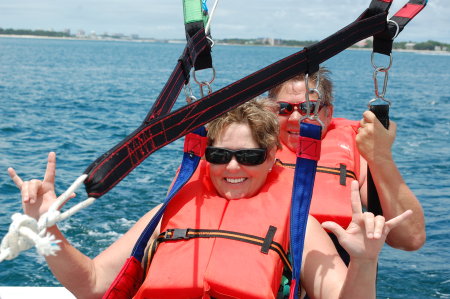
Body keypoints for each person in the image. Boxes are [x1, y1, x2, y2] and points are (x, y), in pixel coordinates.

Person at [8, 99, 411, 299]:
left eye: (249, 156)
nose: (232, 167)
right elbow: (93, 284)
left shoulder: (295, 220)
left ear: (272, 158)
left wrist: (364, 259)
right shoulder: (171, 210)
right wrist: (49, 227)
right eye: (219, 155)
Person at [268, 67, 425, 253]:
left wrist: (381, 157)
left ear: (328, 113)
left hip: (336, 264)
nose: (295, 118)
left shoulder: (356, 152)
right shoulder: (250, 151)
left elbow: (411, 238)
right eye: (283, 109)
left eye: (308, 108)